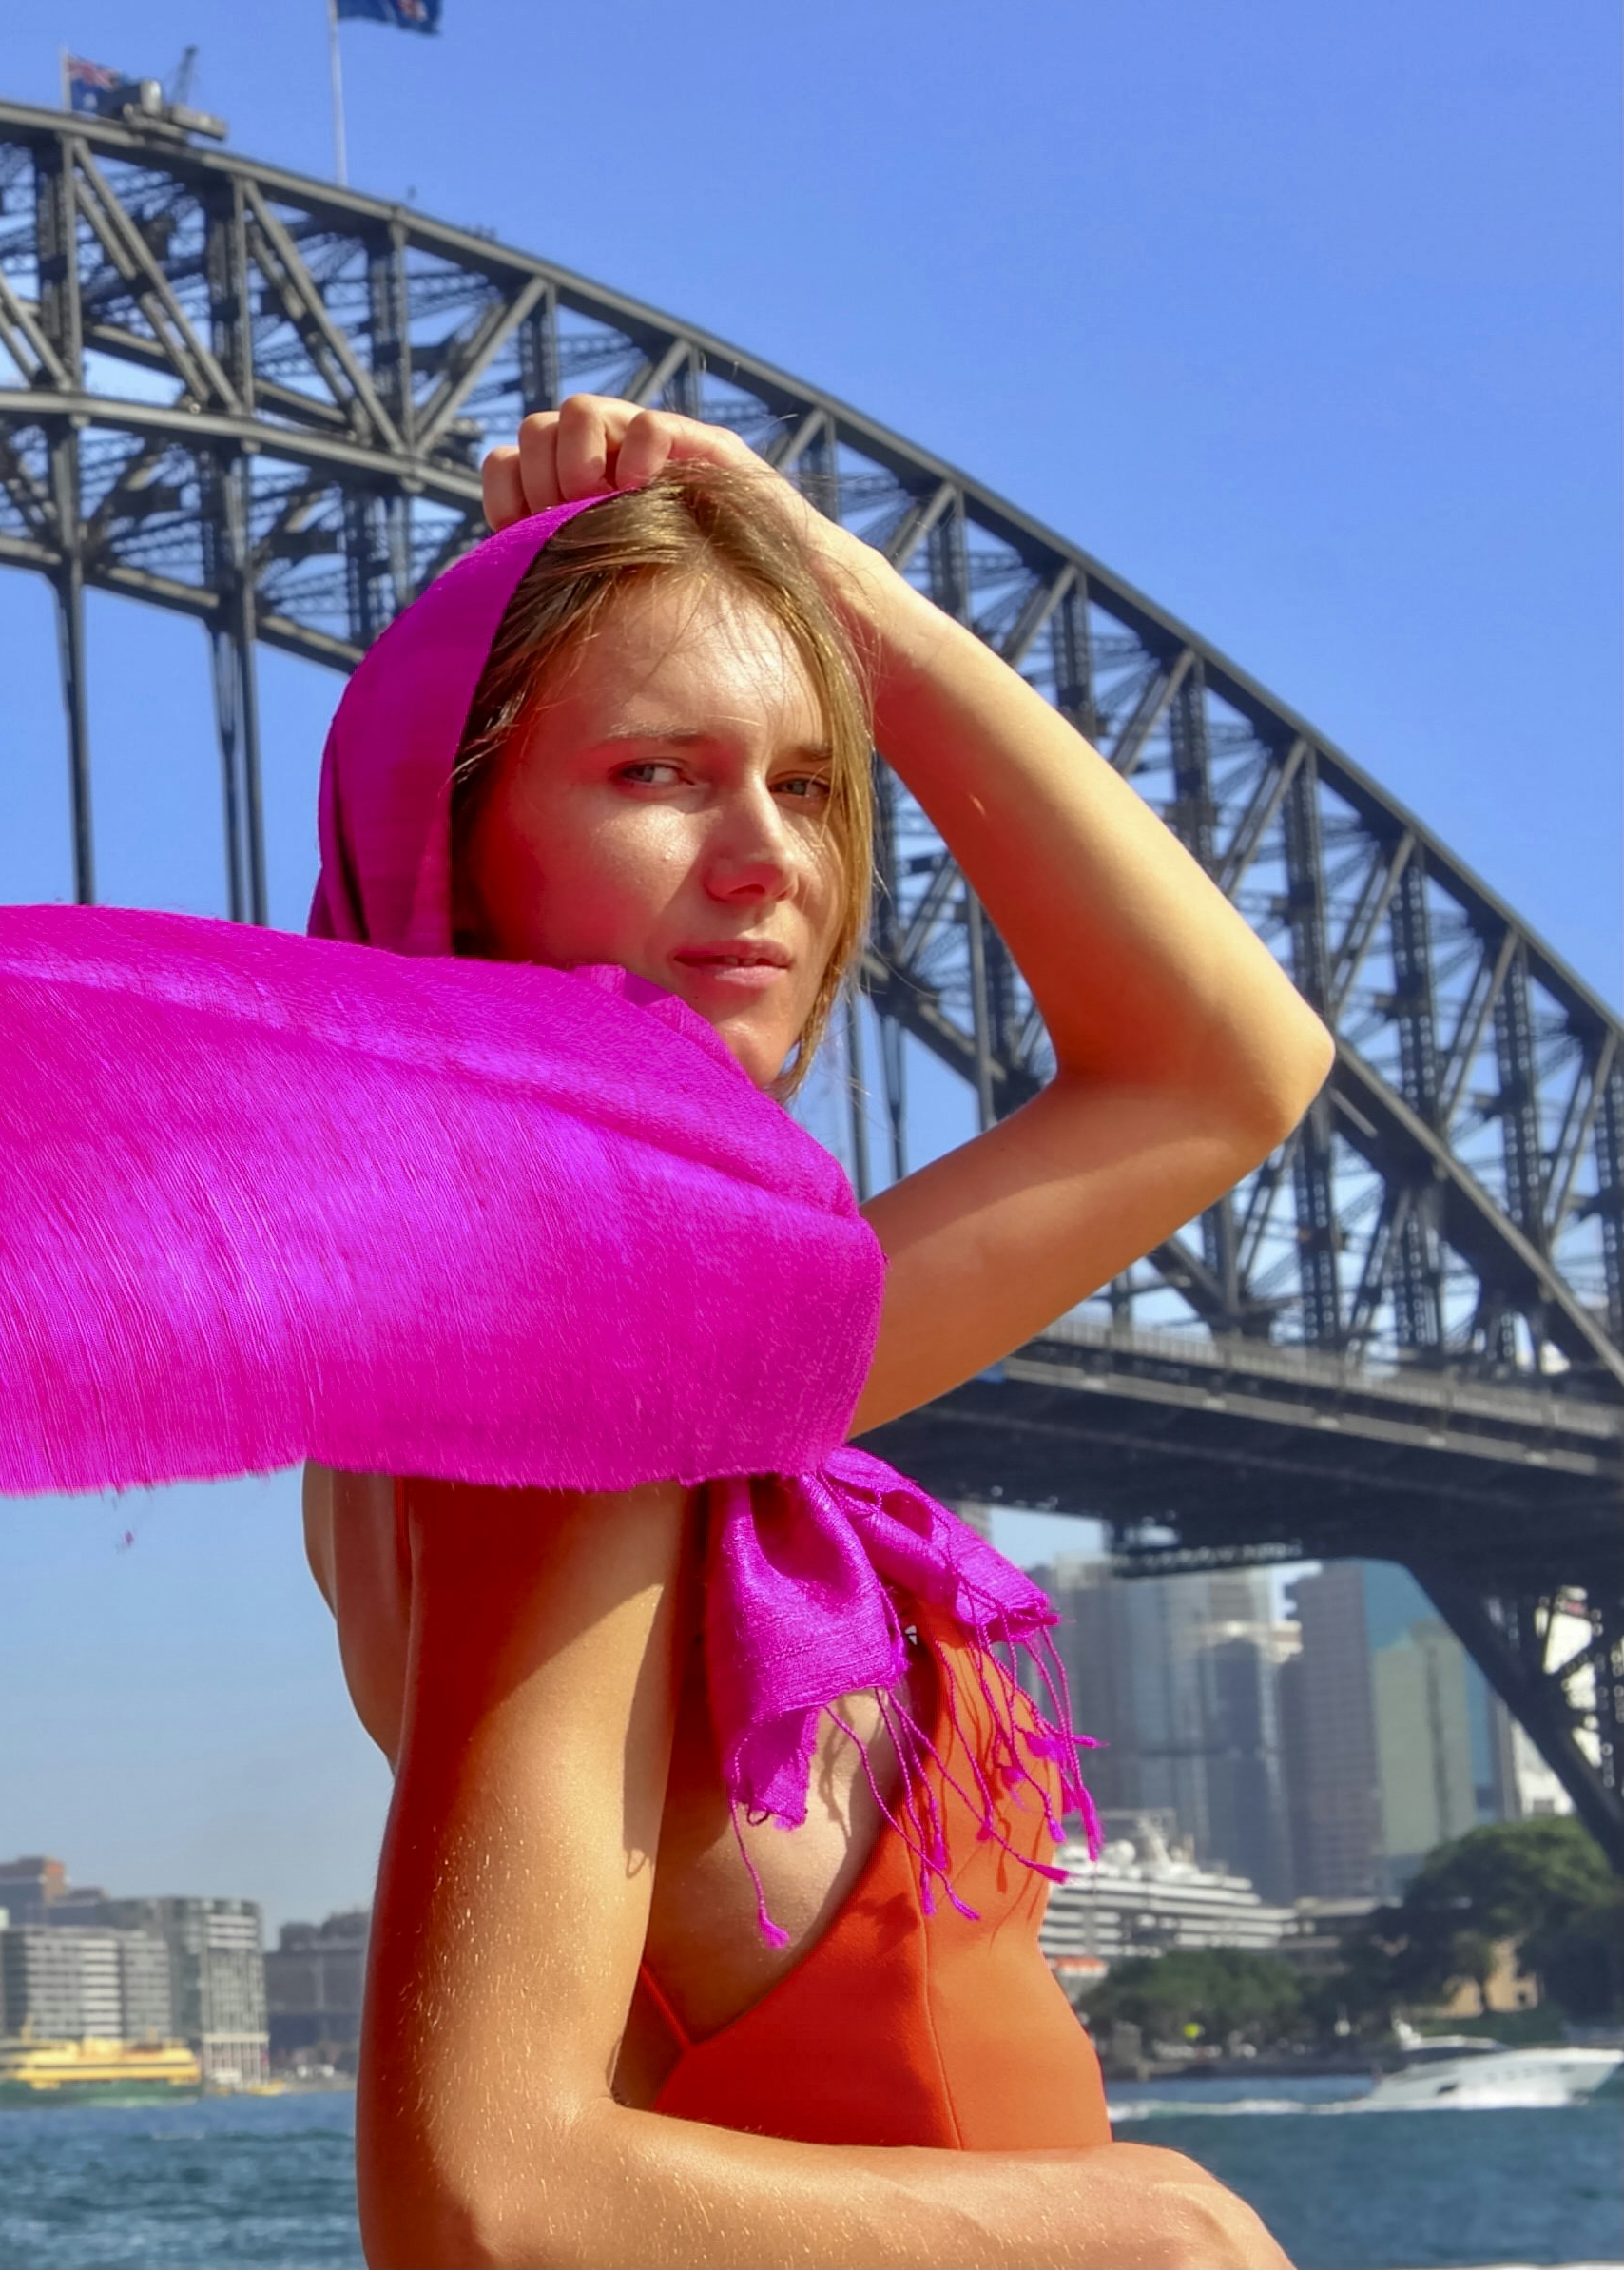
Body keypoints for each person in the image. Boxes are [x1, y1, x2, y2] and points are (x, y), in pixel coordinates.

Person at [305, 397, 1327, 2267]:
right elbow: (476, 2202)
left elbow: (1222, 1073)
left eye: (813, 780)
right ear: (449, 846)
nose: (768, 853)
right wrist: (1138, 2232)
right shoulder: (571, 1397)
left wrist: (838, 589)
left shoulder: (657, 1368)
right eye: (654, 776)